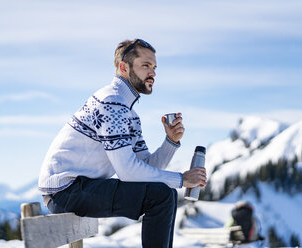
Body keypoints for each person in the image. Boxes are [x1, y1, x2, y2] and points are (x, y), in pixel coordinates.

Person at [38, 38, 207, 248]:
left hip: (80, 187)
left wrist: (170, 142)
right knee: (162, 195)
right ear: (123, 67)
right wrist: (181, 179)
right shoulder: (112, 103)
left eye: (154, 67)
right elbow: (128, 172)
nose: (152, 73)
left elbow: (147, 169)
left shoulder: (128, 113)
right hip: (65, 190)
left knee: (165, 193)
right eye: (145, 65)